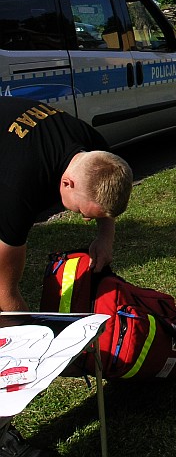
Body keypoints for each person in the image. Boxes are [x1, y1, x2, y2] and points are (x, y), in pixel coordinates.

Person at [0, 97, 133, 457]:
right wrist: (40, 353)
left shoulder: (96, 152)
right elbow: (5, 294)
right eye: (80, 212)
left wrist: (105, 237)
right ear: (67, 182)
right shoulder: (18, 188)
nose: (84, 219)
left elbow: (103, 195)